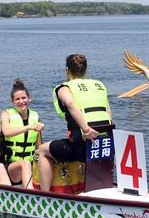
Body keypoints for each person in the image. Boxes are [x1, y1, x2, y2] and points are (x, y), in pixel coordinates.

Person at [36, 54, 113, 192]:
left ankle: (45, 195)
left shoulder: (64, 88)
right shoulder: (99, 85)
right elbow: (108, 110)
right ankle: (97, 188)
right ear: (85, 70)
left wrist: (87, 130)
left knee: (42, 150)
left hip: (82, 145)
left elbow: (70, 102)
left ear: (67, 70)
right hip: (105, 144)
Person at [0, 79, 45, 189]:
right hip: (11, 165)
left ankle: (49, 192)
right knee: (24, 163)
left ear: (29, 98)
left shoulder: (35, 116)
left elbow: (38, 146)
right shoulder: (6, 114)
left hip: (31, 163)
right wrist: (29, 127)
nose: (21, 101)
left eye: (24, 98)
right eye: (17, 99)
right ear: (12, 101)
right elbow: (6, 132)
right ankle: (30, 195)